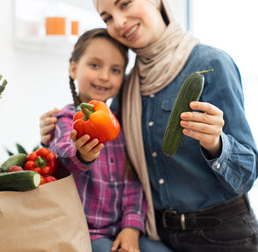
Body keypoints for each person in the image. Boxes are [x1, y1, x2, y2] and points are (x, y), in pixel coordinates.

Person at [41, 0, 258, 251]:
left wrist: (216, 143)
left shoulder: (210, 64)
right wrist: (53, 129)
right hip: (160, 237)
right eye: (107, 16)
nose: (119, 22)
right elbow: (116, 162)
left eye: (125, 3)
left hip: (223, 237)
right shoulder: (129, 85)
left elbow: (248, 173)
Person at [48, 28, 173, 252]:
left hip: (120, 229)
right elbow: (62, 154)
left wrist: (132, 228)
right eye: (95, 65)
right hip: (85, 232)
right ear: (74, 68)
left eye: (115, 70)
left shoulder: (119, 126)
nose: (105, 76)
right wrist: (82, 154)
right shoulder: (65, 119)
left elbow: (132, 183)